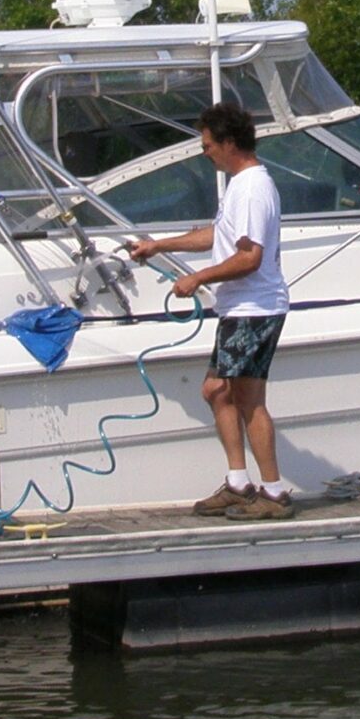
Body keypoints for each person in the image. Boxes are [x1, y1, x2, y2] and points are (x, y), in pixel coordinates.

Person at [126, 98, 295, 519]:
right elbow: (217, 236)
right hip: (237, 308)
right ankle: (238, 484)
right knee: (216, 390)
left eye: (207, 145)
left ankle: (273, 493)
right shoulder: (238, 186)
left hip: (255, 308)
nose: (205, 153)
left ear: (228, 143)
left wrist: (198, 278)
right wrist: (158, 246)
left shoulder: (253, 188)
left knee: (249, 399)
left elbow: (250, 257)